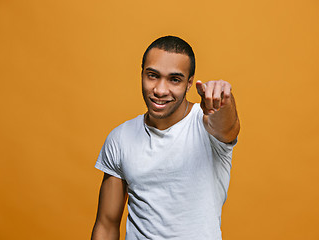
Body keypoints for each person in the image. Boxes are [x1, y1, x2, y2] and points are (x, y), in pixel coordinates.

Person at [91, 36, 240, 240]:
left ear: (189, 84)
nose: (160, 90)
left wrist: (224, 101)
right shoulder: (120, 138)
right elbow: (106, 225)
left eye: (174, 79)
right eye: (152, 75)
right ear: (142, 73)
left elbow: (228, 127)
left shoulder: (207, 124)